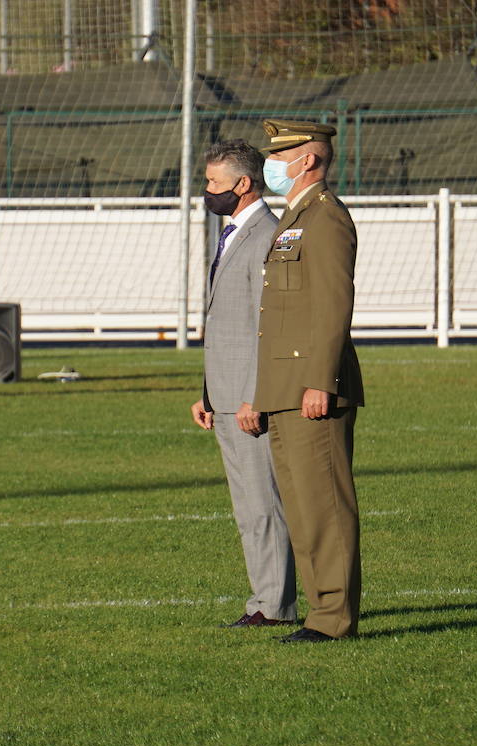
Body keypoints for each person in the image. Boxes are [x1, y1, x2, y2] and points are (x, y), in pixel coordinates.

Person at [251, 119, 366, 644]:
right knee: (301, 507)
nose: (271, 164)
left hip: (311, 388)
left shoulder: (326, 219)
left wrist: (320, 381)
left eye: (282, 155)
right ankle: (320, 612)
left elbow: (332, 307)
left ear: (308, 161)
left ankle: (334, 618)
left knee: (324, 507)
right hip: (285, 389)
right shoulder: (293, 219)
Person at [190, 140, 298, 628]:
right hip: (227, 395)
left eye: (214, 183)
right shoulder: (234, 232)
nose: (207, 190)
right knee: (247, 507)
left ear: (243, 184)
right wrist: (210, 392)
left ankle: (273, 606)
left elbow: (267, 326)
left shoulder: (267, 236)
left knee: (262, 506)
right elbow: (226, 322)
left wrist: (256, 394)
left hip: (250, 399)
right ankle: (264, 601)